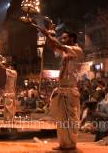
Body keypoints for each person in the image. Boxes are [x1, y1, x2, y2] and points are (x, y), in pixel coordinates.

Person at [31, 19, 84, 150]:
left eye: (64, 37)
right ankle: (64, 144)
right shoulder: (66, 51)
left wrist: (46, 32)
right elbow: (53, 46)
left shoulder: (76, 49)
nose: (62, 39)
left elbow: (58, 45)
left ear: (72, 38)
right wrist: (49, 34)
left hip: (70, 90)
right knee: (61, 120)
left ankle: (70, 144)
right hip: (62, 90)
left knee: (70, 120)